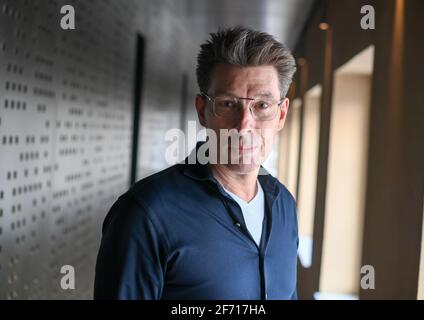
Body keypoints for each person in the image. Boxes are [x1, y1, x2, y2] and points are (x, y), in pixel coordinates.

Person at [94, 26, 299, 300]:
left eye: (262, 105)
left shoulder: (284, 204)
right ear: (203, 111)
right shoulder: (147, 214)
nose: (244, 125)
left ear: (281, 114)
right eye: (228, 104)